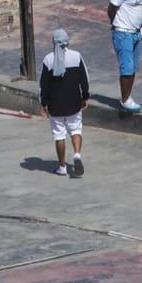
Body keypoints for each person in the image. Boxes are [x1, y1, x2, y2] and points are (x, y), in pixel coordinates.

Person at [39, 28, 90, 177]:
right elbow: (84, 79)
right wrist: (85, 97)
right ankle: (77, 155)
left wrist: (44, 104)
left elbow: (44, 85)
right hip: (74, 103)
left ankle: (62, 167)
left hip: (55, 106)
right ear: (67, 41)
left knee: (59, 135)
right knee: (76, 130)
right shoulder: (76, 56)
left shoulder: (48, 59)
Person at [108, 0, 142, 113]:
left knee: (133, 68)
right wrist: (115, 24)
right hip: (123, 32)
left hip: (136, 33)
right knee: (126, 68)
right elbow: (112, 8)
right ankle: (125, 99)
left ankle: (128, 96)